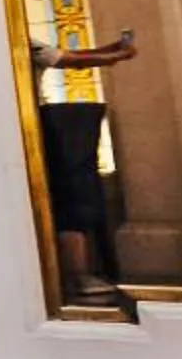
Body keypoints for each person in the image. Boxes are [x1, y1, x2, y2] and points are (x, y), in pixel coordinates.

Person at [32, 26, 136, 302]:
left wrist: (112, 52)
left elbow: (69, 56)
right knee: (69, 199)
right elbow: (71, 61)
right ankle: (76, 274)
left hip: (42, 129)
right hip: (38, 130)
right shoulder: (17, 38)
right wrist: (117, 55)